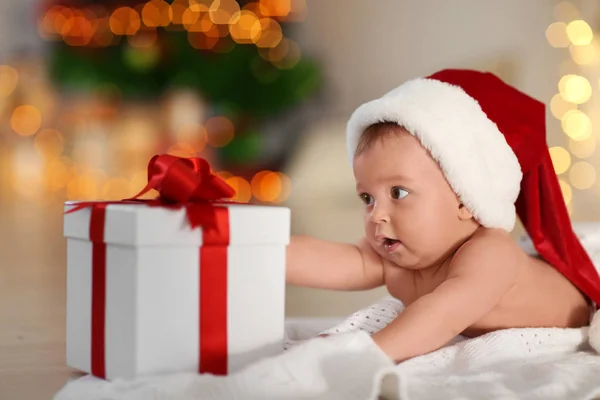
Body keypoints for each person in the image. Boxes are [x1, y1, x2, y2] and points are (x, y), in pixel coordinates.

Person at [285, 69, 600, 363]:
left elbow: (440, 316)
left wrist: (360, 354)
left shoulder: (489, 253)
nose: (377, 215)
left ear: (465, 198)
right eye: (367, 198)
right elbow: (333, 260)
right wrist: (250, 247)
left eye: (398, 193)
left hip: (578, 295)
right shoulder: (397, 255)